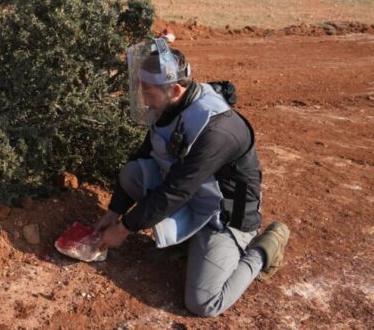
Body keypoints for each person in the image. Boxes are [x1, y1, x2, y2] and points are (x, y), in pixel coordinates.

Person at [95, 38, 290, 317]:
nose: (144, 100)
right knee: (133, 173)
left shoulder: (217, 130)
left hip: (225, 216)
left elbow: (176, 191)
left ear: (175, 89)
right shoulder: (170, 106)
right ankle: (188, 242)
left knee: (203, 302)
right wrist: (115, 210)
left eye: (148, 93)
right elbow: (144, 155)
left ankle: (264, 248)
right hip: (194, 197)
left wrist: (123, 228)